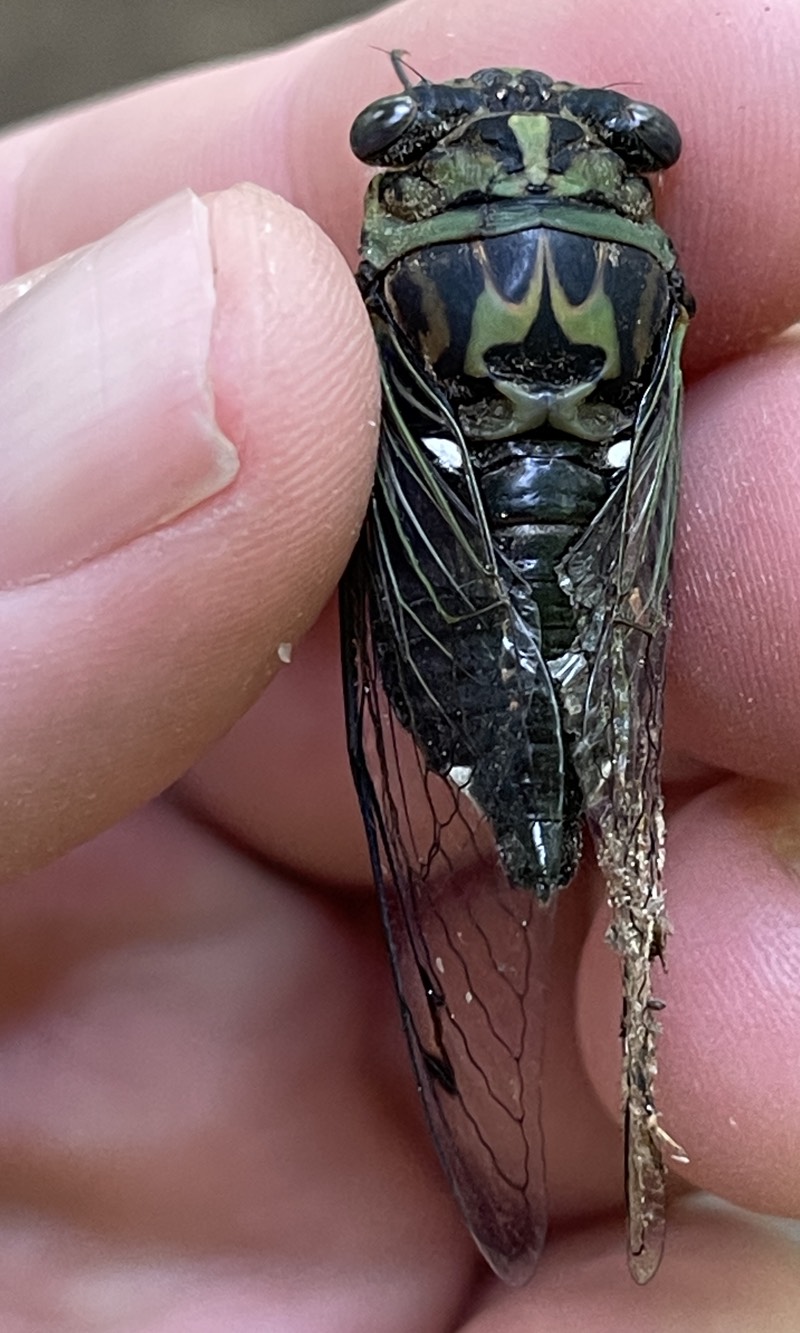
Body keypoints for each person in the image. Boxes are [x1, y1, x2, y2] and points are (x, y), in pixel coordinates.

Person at [0, 0, 798, 1324]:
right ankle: (618, 996)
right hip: (577, 542)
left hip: (448, 612)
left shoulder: (393, 265)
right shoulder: (648, 277)